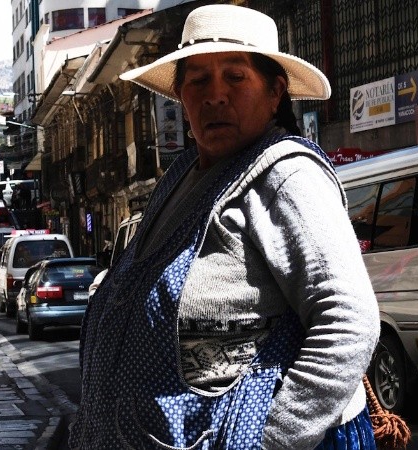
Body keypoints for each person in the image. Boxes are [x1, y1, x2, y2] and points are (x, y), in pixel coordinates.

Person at [72, 5, 380, 450]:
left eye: (235, 77)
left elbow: (349, 321)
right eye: (198, 80)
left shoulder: (286, 176)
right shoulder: (182, 176)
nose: (215, 96)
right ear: (180, 95)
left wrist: (273, 439)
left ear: (275, 92)